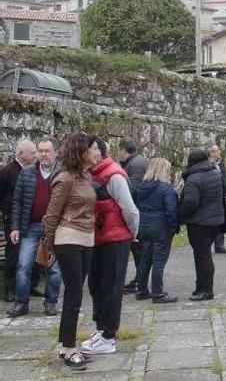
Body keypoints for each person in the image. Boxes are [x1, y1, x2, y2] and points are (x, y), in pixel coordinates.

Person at [43, 132, 101, 370]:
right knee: (74, 295)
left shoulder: (85, 177)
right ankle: (68, 348)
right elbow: (51, 214)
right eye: (95, 148)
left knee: (77, 294)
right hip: (68, 239)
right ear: (82, 151)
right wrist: (49, 243)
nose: (99, 152)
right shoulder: (65, 178)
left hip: (86, 239)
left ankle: (67, 344)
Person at [81, 138, 140, 356]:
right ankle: (101, 328)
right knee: (96, 285)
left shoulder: (114, 175)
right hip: (98, 238)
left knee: (112, 287)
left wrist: (133, 233)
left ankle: (108, 335)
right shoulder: (92, 174)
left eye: (95, 149)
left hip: (115, 239)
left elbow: (130, 209)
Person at [6, 137, 62, 318]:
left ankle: (51, 302)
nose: (43, 154)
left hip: (54, 228)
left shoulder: (63, 173)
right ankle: (21, 303)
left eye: (47, 151)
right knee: (23, 265)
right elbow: (17, 202)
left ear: (56, 153)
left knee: (54, 268)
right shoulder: (28, 172)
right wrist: (14, 227)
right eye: (40, 150)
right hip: (30, 226)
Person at [179, 149, 225, 301]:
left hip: (199, 223)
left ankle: (205, 290)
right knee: (204, 256)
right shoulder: (216, 174)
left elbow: (191, 203)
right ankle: (201, 287)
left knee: (202, 257)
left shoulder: (193, 178)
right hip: (215, 221)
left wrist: (180, 214)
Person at [133, 158, 178, 304]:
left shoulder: (141, 187)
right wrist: (173, 227)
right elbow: (171, 210)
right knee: (159, 260)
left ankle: (141, 289)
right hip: (160, 226)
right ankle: (158, 292)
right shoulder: (165, 188)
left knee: (145, 258)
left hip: (144, 226)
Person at [0, 139, 37, 302]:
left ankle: (31, 286)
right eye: (33, 152)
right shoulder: (7, 172)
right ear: (22, 154)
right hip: (12, 219)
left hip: (30, 218)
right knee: (13, 254)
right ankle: (10, 288)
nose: (36, 156)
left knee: (33, 254)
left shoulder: (33, 170)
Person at [118, 137, 148, 295]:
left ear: (124, 149)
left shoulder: (136, 164)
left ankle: (140, 281)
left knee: (138, 249)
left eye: (120, 150)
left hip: (137, 211)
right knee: (138, 250)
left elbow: (133, 190)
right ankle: (139, 279)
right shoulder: (137, 162)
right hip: (139, 210)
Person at [207, 144, 226, 254]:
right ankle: (207, 244)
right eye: (216, 151)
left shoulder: (220, 163)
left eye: (218, 150)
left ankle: (219, 244)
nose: (219, 152)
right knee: (210, 221)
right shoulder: (206, 164)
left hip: (222, 194)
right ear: (211, 153)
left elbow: (223, 178)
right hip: (211, 195)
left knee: (221, 219)